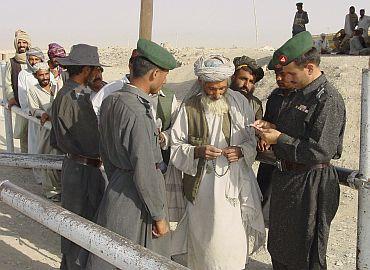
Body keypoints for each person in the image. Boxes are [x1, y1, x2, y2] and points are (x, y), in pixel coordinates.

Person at [254, 31, 346, 270]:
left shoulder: (327, 100)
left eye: (290, 73)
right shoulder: (294, 96)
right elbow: (292, 134)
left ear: (310, 68)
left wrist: (279, 138)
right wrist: (271, 128)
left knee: (306, 254)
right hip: (286, 179)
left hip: (311, 184)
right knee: (281, 247)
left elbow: (320, 150)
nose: (286, 78)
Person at [85, 39, 177, 269]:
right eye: (164, 75)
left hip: (117, 185)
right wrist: (159, 217)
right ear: (154, 73)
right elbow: (145, 169)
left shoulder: (112, 100)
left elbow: (106, 152)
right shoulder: (137, 111)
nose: (165, 81)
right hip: (136, 199)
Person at [171, 55, 265, 270]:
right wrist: (197, 151)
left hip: (235, 184)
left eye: (221, 89)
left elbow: (252, 140)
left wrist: (241, 151)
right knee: (206, 246)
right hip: (202, 188)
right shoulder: (189, 107)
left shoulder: (240, 103)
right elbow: (176, 147)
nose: (217, 94)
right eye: (212, 89)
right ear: (202, 84)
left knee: (231, 244)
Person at [51, 44, 106, 270]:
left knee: (73, 228)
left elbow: (56, 140)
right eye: (95, 69)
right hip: (84, 172)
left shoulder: (66, 93)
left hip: (73, 166)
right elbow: (92, 142)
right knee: (82, 229)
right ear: (86, 69)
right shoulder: (77, 98)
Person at [256, 67, 295, 224]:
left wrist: (276, 133)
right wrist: (262, 135)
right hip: (270, 157)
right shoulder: (275, 96)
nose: (279, 78)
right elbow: (268, 121)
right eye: (276, 75)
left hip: (290, 157)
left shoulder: (303, 97)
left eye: (283, 74)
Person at [28, 62, 61, 201]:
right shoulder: (33, 90)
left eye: (46, 74)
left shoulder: (57, 86)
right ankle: (51, 192)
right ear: (36, 76)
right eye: (41, 75)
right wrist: (43, 113)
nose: (44, 77)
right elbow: (33, 108)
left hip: (60, 128)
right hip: (46, 130)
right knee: (47, 158)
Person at [4, 30, 31, 153]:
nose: (21, 45)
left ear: (28, 44)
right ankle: (26, 158)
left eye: (24, 42)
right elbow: (7, 83)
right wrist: (11, 98)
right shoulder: (11, 62)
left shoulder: (34, 59)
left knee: (35, 130)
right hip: (20, 101)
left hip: (34, 101)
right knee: (23, 130)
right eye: (19, 42)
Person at [230, 55, 264, 120]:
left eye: (251, 81)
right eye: (243, 79)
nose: (246, 85)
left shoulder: (255, 105)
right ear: (233, 78)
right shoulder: (220, 99)